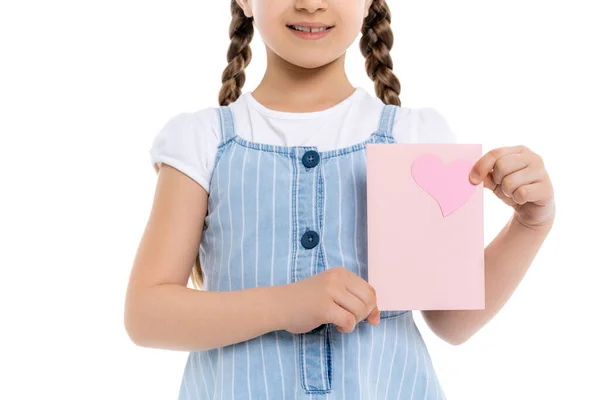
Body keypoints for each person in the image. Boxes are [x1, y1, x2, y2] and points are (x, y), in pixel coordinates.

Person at [124, 0, 556, 399]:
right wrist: (287, 304)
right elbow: (147, 313)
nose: (311, 3)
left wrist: (529, 225)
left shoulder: (413, 138)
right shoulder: (203, 140)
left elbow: (452, 321)